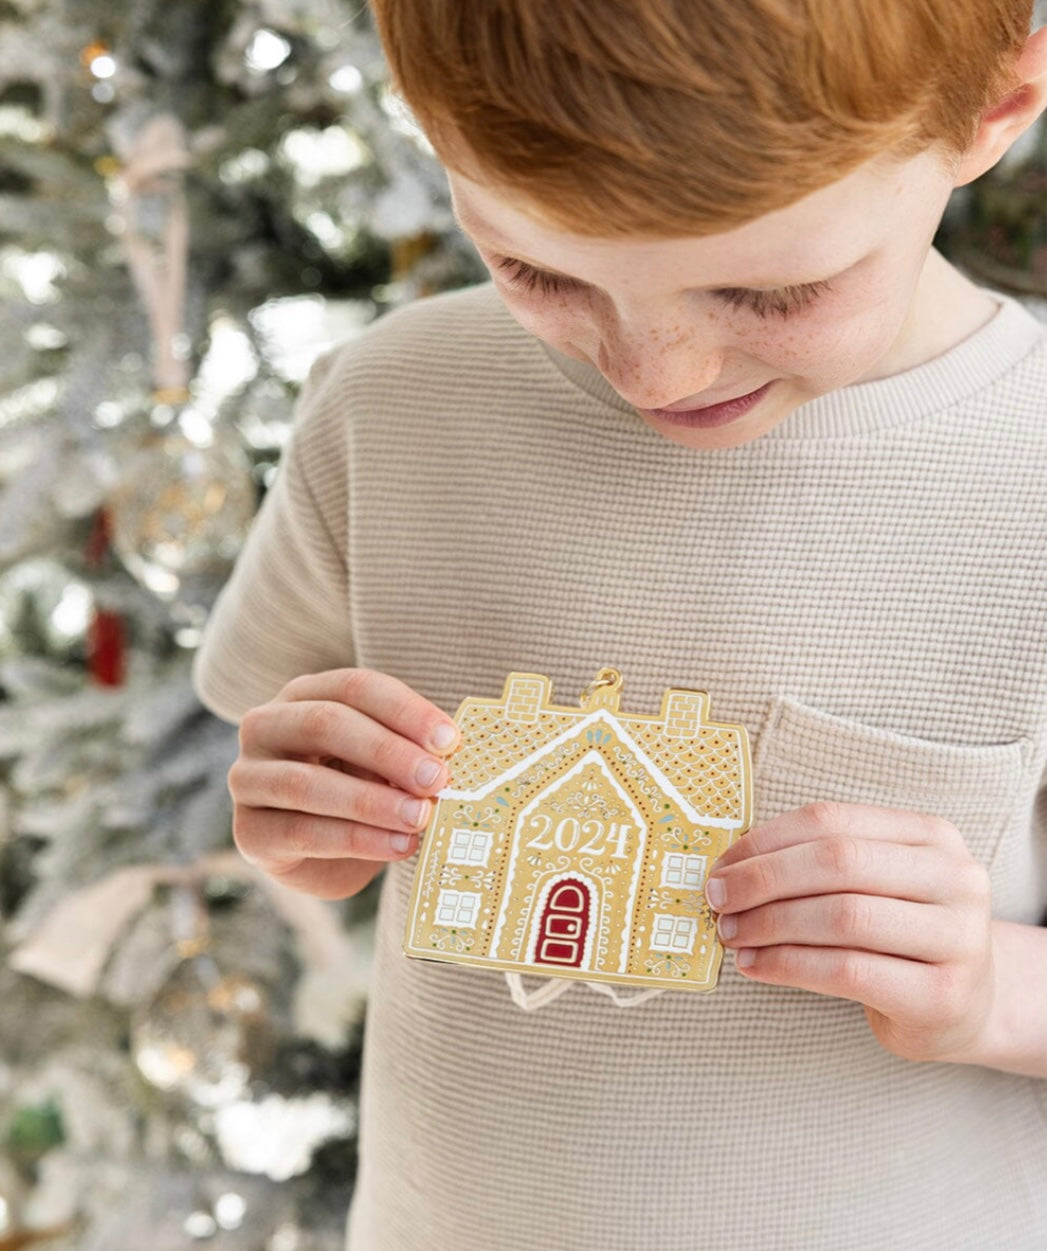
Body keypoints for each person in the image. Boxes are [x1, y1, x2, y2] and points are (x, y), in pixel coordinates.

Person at [193, 2, 1047, 1247]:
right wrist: (305, 815)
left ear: (994, 106)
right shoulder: (395, 408)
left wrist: (985, 992)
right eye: (536, 269)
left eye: (773, 289)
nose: (658, 373)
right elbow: (280, 759)